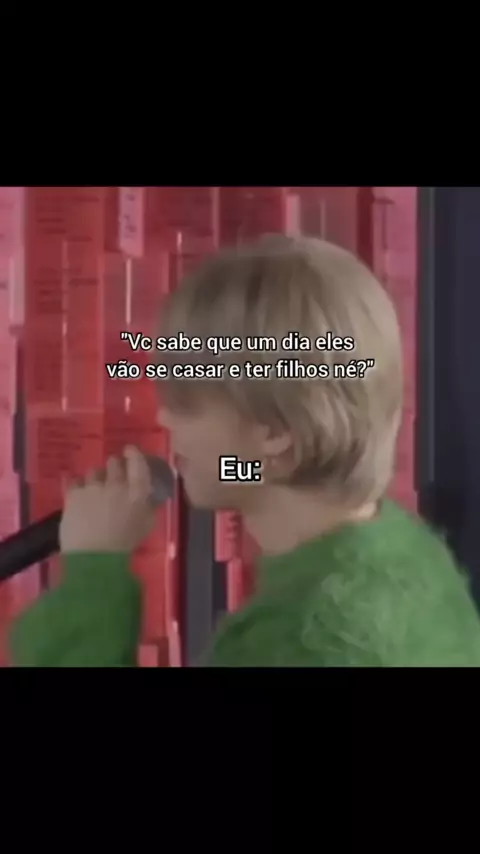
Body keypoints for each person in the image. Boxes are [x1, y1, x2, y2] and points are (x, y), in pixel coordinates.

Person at [9, 235, 480, 666]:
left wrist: (95, 574)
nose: (164, 419)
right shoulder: (407, 558)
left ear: (274, 431)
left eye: (186, 401)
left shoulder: (304, 642)